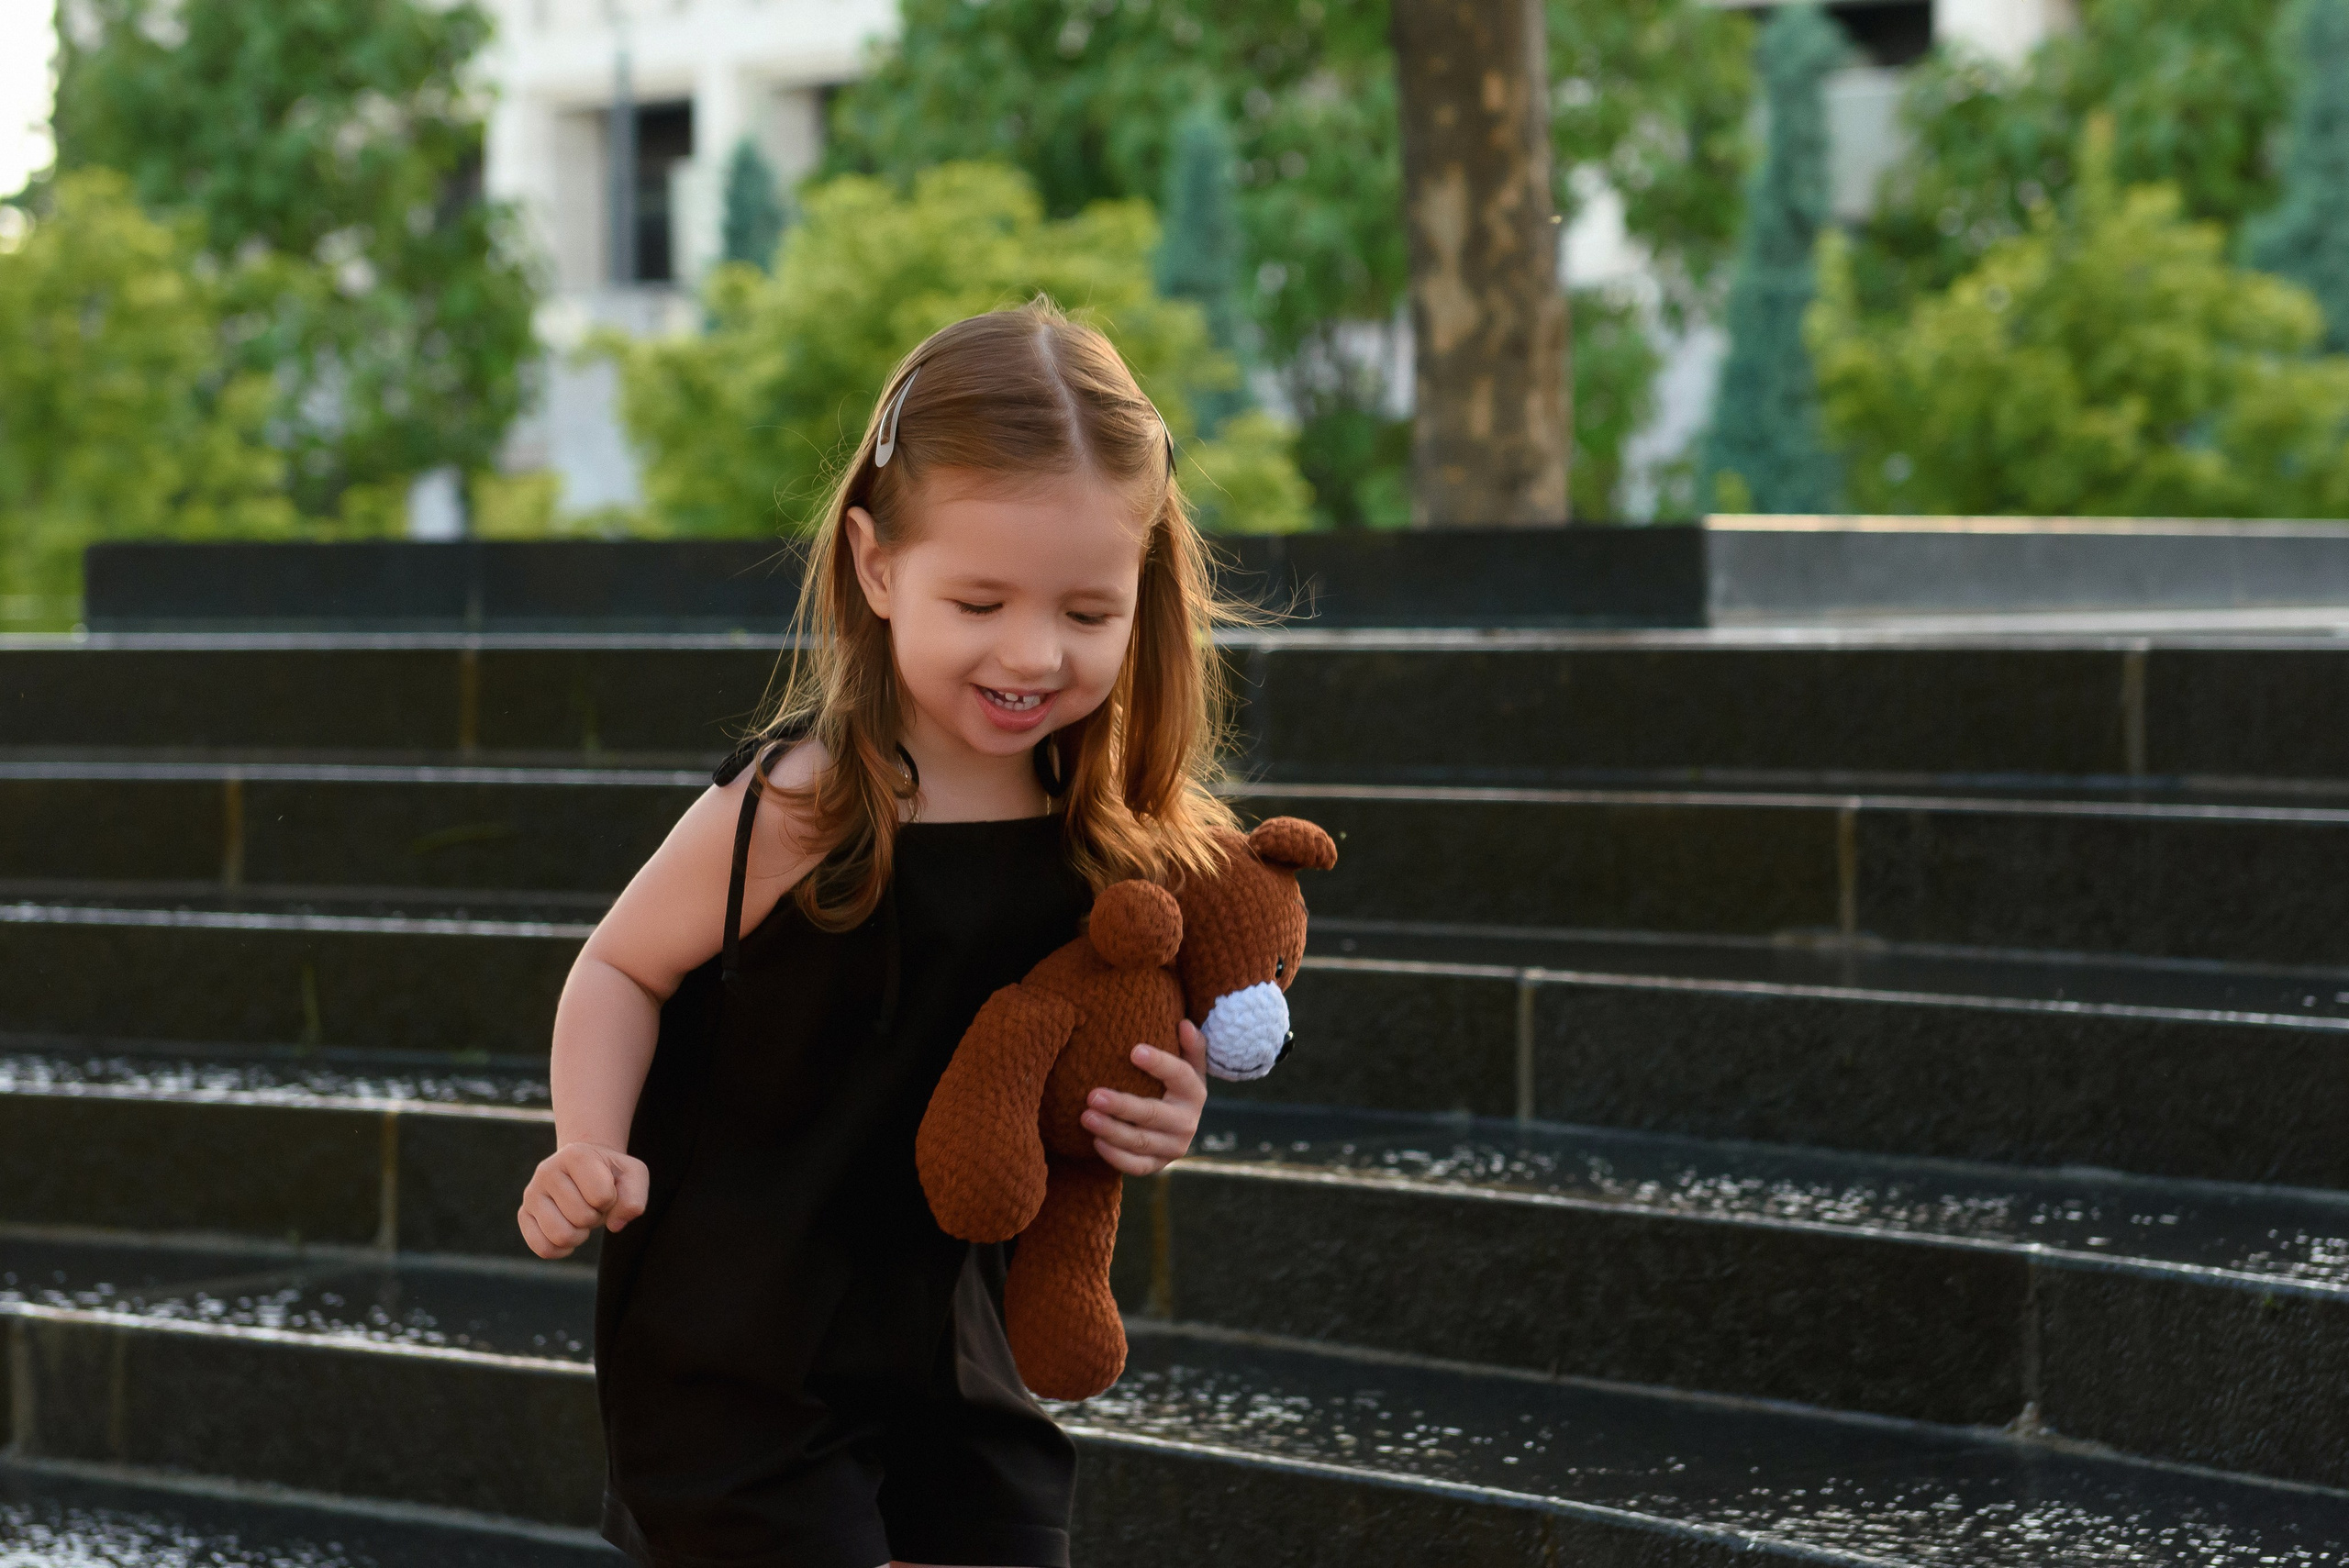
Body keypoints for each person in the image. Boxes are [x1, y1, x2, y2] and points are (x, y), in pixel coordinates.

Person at [513, 299, 1243, 1568]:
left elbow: (1067, 1074)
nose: (1032, 651)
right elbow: (621, 965)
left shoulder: (1104, 834)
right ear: (875, 562)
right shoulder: (803, 804)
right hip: (739, 1338)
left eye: (1086, 612)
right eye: (980, 600)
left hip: (947, 1340)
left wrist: (1161, 1112)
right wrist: (589, 1142)